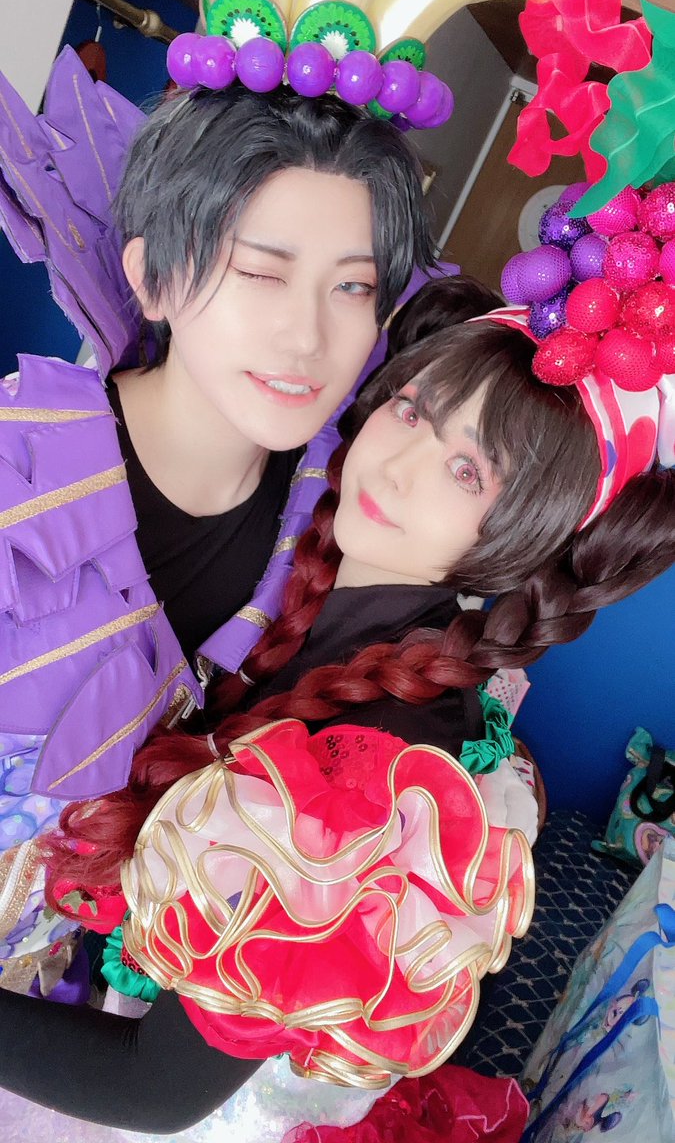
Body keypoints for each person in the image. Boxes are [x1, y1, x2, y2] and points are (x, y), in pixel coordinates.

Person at [0, 270, 673, 1133]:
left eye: (466, 470)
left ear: (519, 546)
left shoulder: (377, 780)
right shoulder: (295, 551)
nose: (396, 465)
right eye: (412, 411)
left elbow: (152, 1089)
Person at [0, 21, 442, 992]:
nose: (307, 335)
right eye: (261, 271)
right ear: (152, 277)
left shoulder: (331, 511)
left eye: (352, 286)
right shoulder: (16, 478)